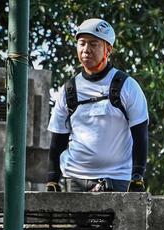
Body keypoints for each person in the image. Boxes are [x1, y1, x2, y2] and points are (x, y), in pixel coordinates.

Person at [46, 18, 149, 193]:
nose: (86, 50)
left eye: (93, 44)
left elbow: (140, 136)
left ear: (108, 49)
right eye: (82, 43)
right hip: (74, 180)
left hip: (117, 180)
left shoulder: (127, 86)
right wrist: (52, 179)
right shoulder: (69, 89)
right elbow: (58, 141)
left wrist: (137, 176)